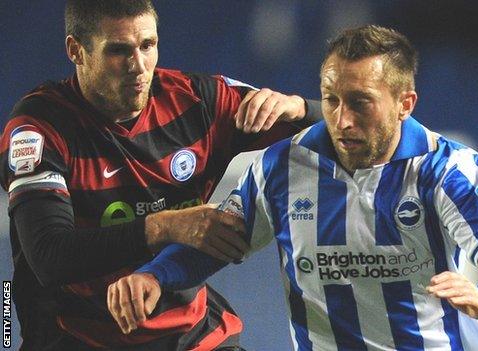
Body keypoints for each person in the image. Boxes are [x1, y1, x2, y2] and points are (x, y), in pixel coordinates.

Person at [108, 25, 478, 350]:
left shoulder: (444, 168)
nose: (341, 119)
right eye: (331, 100)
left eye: (360, 102)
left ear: (405, 103)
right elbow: (216, 239)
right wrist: (154, 276)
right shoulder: (281, 167)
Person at [0, 0, 323, 350]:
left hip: (193, 334)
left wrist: (300, 108)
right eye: (118, 50)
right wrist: (165, 226)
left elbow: (348, 132)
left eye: (147, 46)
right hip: (79, 336)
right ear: (76, 50)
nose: (138, 66)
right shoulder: (39, 128)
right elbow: (50, 257)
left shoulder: (197, 102)